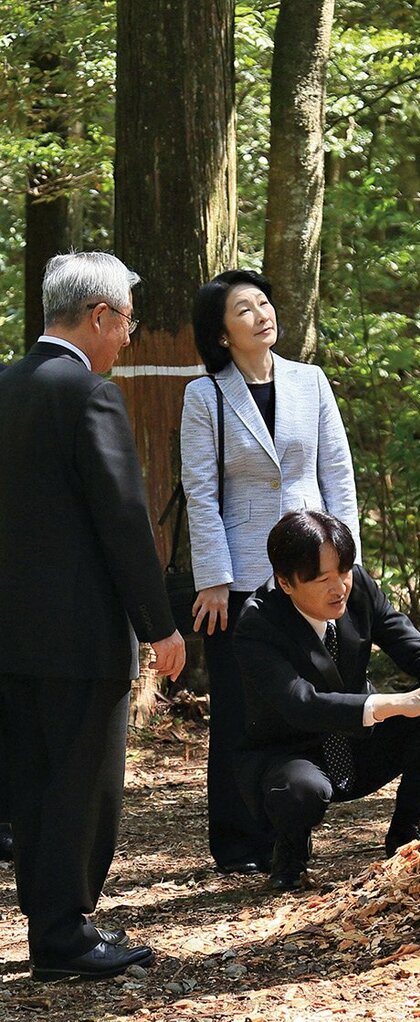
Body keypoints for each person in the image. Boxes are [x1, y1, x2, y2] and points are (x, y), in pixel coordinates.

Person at [0, 252, 186, 981]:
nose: (128, 340)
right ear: (101, 316)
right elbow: (123, 521)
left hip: (9, 637)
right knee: (82, 787)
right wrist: (159, 624)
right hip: (78, 638)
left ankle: (49, 932)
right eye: (127, 324)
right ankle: (66, 936)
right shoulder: (88, 395)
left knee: (32, 788)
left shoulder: (5, 387)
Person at [180, 269, 361, 876]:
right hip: (242, 570)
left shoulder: (310, 381)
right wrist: (212, 578)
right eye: (243, 310)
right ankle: (238, 843)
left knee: (308, 692)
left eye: (264, 302)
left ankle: (297, 817)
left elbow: (338, 471)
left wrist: (349, 560)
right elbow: (200, 492)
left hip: (315, 568)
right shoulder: (204, 396)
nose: (261, 314)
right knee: (238, 707)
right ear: (222, 332)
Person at [233, 510, 420, 891]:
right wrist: (397, 702)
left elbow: (413, 645)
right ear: (285, 582)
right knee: (300, 791)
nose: (339, 588)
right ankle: (291, 850)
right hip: (291, 755)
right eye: (322, 579)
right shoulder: (257, 622)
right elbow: (303, 703)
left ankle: (407, 829)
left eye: (344, 572)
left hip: (360, 745)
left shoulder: (358, 585)